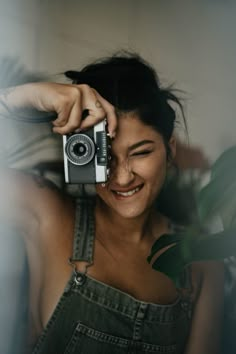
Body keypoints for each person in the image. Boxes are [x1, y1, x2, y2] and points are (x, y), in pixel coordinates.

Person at [0, 52, 224, 354]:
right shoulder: (47, 213)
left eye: (141, 152)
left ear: (169, 150)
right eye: (104, 155)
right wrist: (27, 96)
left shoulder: (201, 262)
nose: (121, 176)